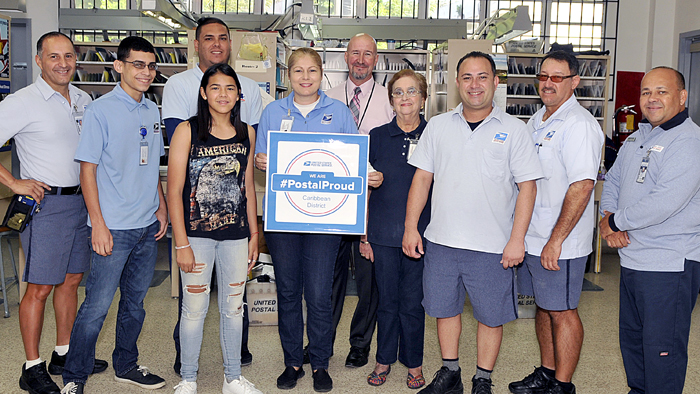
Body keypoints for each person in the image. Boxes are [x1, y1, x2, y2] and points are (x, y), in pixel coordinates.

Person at [403, 51, 542, 394]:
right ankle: (450, 373)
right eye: (467, 77)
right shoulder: (437, 126)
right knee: (444, 310)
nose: (474, 85)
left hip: (493, 247)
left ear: (496, 82)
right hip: (442, 242)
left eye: (482, 77)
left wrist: (517, 239)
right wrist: (410, 228)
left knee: (491, 316)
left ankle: (483, 377)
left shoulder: (514, 130)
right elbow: (421, 179)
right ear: (456, 83)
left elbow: (528, 187)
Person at [0, 31, 107, 394]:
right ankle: (31, 367)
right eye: (54, 57)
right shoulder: (22, 101)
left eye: (69, 56)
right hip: (46, 206)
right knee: (40, 287)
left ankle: (64, 353)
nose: (63, 63)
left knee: (72, 281)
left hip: (82, 202)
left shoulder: (83, 98)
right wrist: (14, 182)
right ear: (40, 60)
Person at [61, 36, 168, 394]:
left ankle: (126, 364)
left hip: (146, 225)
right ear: (118, 66)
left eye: (151, 65)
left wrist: (162, 208)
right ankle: (74, 376)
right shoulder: (100, 110)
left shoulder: (152, 109)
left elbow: (152, 165)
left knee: (135, 305)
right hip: (113, 228)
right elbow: (86, 170)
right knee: (97, 307)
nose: (146, 72)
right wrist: (99, 225)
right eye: (138, 64)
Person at [254, 47, 358, 393]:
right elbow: (259, 156)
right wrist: (261, 162)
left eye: (312, 70)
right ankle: (292, 362)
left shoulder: (339, 112)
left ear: (321, 74)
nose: (305, 77)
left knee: (317, 293)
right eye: (297, 71)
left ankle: (321, 363)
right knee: (287, 291)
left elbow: (353, 155)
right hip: (284, 216)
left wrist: (367, 173)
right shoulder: (272, 111)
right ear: (288, 74)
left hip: (325, 219)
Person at [162, 17, 262, 372]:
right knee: (194, 310)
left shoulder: (247, 133)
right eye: (215, 88)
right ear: (204, 93)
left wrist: (255, 235)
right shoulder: (187, 131)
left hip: (236, 236)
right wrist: (180, 243)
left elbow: (247, 187)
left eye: (230, 89)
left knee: (234, 308)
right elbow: (174, 190)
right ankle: (187, 377)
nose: (223, 94)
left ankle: (233, 376)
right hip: (196, 236)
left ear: (239, 95)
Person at [599, 66, 700, 394]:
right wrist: (609, 215)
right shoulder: (639, 137)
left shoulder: (689, 141)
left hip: (668, 265)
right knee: (634, 346)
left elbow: (665, 202)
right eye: (646, 92)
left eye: (662, 91)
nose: (652, 98)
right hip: (632, 259)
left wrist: (613, 222)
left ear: (682, 97)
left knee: (662, 353)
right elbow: (612, 180)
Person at [509, 51, 604, 394]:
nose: (548, 83)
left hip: (560, 243)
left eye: (557, 77)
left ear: (575, 82)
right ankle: (547, 372)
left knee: (562, 311)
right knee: (545, 308)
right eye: (543, 76)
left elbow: (582, 187)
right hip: (533, 237)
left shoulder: (579, 125)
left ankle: (562, 385)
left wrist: (555, 240)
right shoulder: (537, 121)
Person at [323, 32, 393, 369]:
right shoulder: (328, 97)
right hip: (333, 204)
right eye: (355, 53)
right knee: (328, 277)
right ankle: (322, 341)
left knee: (368, 281)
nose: (361, 60)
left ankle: (360, 344)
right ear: (346, 57)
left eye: (368, 54)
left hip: (371, 202)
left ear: (375, 60)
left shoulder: (389, 99)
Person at [363, 69, 430, 389]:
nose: (405, 98)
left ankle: (414, 363)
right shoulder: (376, 137)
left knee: (413, 302)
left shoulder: (436, 134)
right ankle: (384, 358)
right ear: (391, 101)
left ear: (423, 98)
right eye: (399, 92)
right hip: (382, 233)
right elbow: (362, 188)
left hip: (423, 234)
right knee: (387, 301)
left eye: (412, 91)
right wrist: (364, 235)